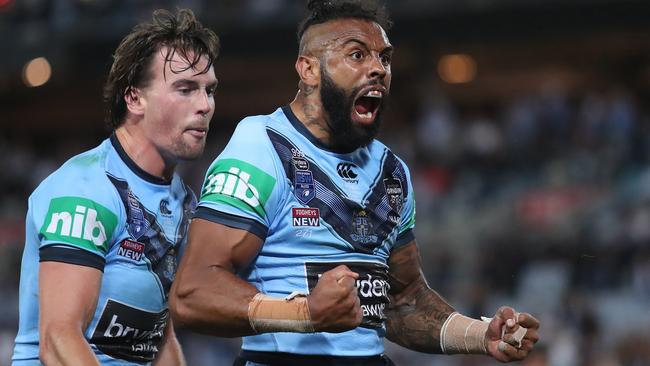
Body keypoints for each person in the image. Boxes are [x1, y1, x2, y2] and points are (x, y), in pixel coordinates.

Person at [170, 1, 539, 365]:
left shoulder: (391, 171)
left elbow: (403, 299)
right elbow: (192, 293)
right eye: (357, 55)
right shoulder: (261, 146)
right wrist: (305, 313)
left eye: (385, 58)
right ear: (309, 69)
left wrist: (479, 334)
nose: (378, 69)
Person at [12, 8, 219, 366]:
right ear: (134, 98)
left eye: (209, 90)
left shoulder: (181, 199)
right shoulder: (84, 189)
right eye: (185, 89)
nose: (204, 105)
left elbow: (156, 335)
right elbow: (58, 339)